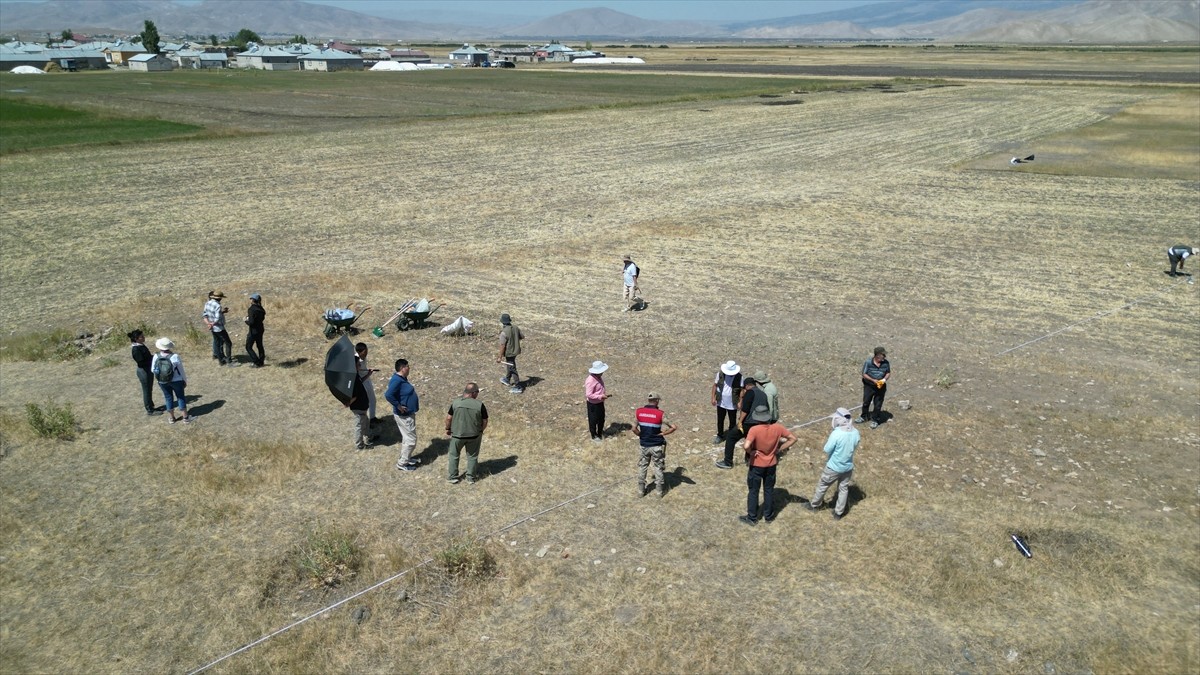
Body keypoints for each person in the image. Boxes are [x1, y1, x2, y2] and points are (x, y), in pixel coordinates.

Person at [739, 405, 798, 526]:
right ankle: (769, 516)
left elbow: (746, 445)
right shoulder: (778, 428)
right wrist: (779, 449)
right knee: (769, 490)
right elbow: (793, 438)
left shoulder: (754, 430)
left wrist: (751, 452)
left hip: (757, 465)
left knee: (754, 491)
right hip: (771, 464)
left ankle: (752, 517)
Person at [806, 407, 861, 520]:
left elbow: (827, 449)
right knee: (843, 489)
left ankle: (815, 505)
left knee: (822, 486)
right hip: (848, 467)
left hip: (834, 467)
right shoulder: (856, 432)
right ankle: (838, 513)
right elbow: (855, 446)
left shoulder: (837, 433)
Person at [633, 392, 677, 498]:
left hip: (644, 445)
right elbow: (674, 427)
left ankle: (641, 491)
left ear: (648, 400)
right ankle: (659, 492)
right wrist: (663, 433)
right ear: (657, 401)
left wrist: (641, 435)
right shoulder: (660, 414)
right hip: (657, 445)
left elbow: (634, 428)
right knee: (658, 467)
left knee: (643, 466)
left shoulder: (639, 412)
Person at [718, 377, 766, 470]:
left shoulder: (750, 392)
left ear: (747, 385)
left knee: (731, 437)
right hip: (760, 422)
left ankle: (728, 462)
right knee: (751, 441)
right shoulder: (763, 394)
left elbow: (745, 409)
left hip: (748, 422)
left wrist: (740, 421)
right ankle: (749, 460)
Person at [445, 382, 488, 484]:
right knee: (472, 456)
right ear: (473, 393)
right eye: (477, 392)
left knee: (454, 455)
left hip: (457, 435)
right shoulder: (480, 405)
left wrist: (448, 428)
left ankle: (453, 477)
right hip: (474, 435)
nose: (477, 394)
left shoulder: (456, 402)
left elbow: (448, 418)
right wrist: (481, 430)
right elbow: (485, 420)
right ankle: (470, 478)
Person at [385, 358, 420, 471]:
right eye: (407, 366)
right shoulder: (397, 380)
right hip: (404, 416)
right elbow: (388, 395)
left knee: (407, 437)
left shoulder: (401, 378)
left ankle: (407, 458)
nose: (409, 368)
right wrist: (398, 406)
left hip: (408, 414)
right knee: (411, 440)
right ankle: (402, 463)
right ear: (402, 368)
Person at [151, 338, 192, 424]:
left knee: (168, 398)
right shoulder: (175, 356)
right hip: (177, 381)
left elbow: (152, 370)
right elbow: (181, 370)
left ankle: (172, 418)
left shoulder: (156, 356)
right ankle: (185, 417)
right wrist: (184, 380)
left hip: (162, 381)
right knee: (180, 397)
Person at [856, 346, 891, 429]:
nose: (884, 357)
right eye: (883, 355)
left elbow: (888, 373)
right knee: (866, 402)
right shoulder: (868, 362)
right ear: (877, 355)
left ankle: (875, 420)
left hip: (881, 386)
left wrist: (884, 380)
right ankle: (864, 416)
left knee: (878, 404)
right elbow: (864, 374)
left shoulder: (886, 363)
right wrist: (873, 380)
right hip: (869, 386)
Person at [128, 329, 159, 415]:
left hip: (147, 370)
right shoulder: (136, 349)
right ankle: (150, 410)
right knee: (146, 390)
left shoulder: (141, 345)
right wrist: (152, 359)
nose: (144, 337)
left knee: (149, 389)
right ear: (136, 339)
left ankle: (151, 406)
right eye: (142, 336)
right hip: (144, 371)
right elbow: (141, 362)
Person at [711, 360, 742, 445]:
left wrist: (740, 401)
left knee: (732, 420)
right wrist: (713, 397)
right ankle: (720, 435)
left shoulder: (739, 377)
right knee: (720, 419)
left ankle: (731, 436)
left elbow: (742, 390)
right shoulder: (720, 374)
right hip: (721, 402)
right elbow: (715, 385)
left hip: (732, 403)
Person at [202, 290, 237, 366]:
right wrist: (213, 323)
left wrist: (209, 324)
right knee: (228, 343)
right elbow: (217, 318)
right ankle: (229, 361)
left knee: (217, 344)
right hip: (219, 328)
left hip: (212, 328)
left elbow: (205, 315)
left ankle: (221, 361)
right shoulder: (218, 305)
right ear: (220, 298)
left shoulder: (207, 303)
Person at [346, 359, 372, 450]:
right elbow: (352, 396)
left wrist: (368, 375)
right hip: (358, 407)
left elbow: (360, 381)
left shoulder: (355, 375)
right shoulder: (351, 379)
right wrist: (348, 402)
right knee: (359, 426)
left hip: (362, 405)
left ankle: (368, 438)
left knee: (365, 422)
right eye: (358, 365)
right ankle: (359, 445)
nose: (360, 366)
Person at [496, 313, 524, 394]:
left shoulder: (504, 333)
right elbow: (522, 336)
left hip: (509, 352)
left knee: (512, 367)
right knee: (509, 364)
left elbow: (502, 346)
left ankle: (518, 386)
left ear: (502, 322)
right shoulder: (515, 327)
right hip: (516, 351)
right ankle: (507, 379)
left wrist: (499, 357)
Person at [585, 360, 611, 442]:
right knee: (593, 420)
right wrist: (600, 396)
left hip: (600, 402)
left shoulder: (598, 377)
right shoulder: (590, 380)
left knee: (601, 418)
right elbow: (589, 394)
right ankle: (594, 435)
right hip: (593, 404)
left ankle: (600, 433)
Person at [355, 342, 379, 424]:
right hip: (363, 384)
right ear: (359, 352)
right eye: (365, 352)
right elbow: (358, 379)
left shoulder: (363, 358)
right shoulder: (355, 361)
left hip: (367, 380)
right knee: (365, 404)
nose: (366, 354)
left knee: (373, 400)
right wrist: (368, 374)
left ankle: (372, 418)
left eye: (367, 351)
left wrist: (367, 371)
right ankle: (366, 422)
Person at [245, 293, 266, 367]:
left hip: (253, 331)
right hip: (260, 329)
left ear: (253, 300)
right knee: (260, 345)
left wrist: (246, 320)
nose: (250, 300)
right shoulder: (261, 309)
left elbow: (251, 322)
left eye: (251, 298)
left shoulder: (251, 309)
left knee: (248, 347)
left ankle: (256, 362)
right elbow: (262, 319)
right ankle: (261, 360)